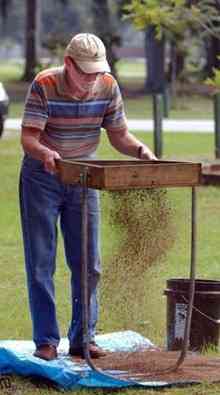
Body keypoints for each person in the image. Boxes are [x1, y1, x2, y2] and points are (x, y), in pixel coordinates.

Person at [19, 33, 157, 362]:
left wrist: (140, 151)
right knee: (41, 263)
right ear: (69, 64)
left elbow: (119, 135)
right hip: (43, 177)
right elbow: (28, 138)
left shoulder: (108, 86)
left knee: (88, 264)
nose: (92, 79)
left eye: (97, 72)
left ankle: (83, 338)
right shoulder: (45, 83)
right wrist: (46, 153)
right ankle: (47, 342)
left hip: (84, 177)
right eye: (86, 73)